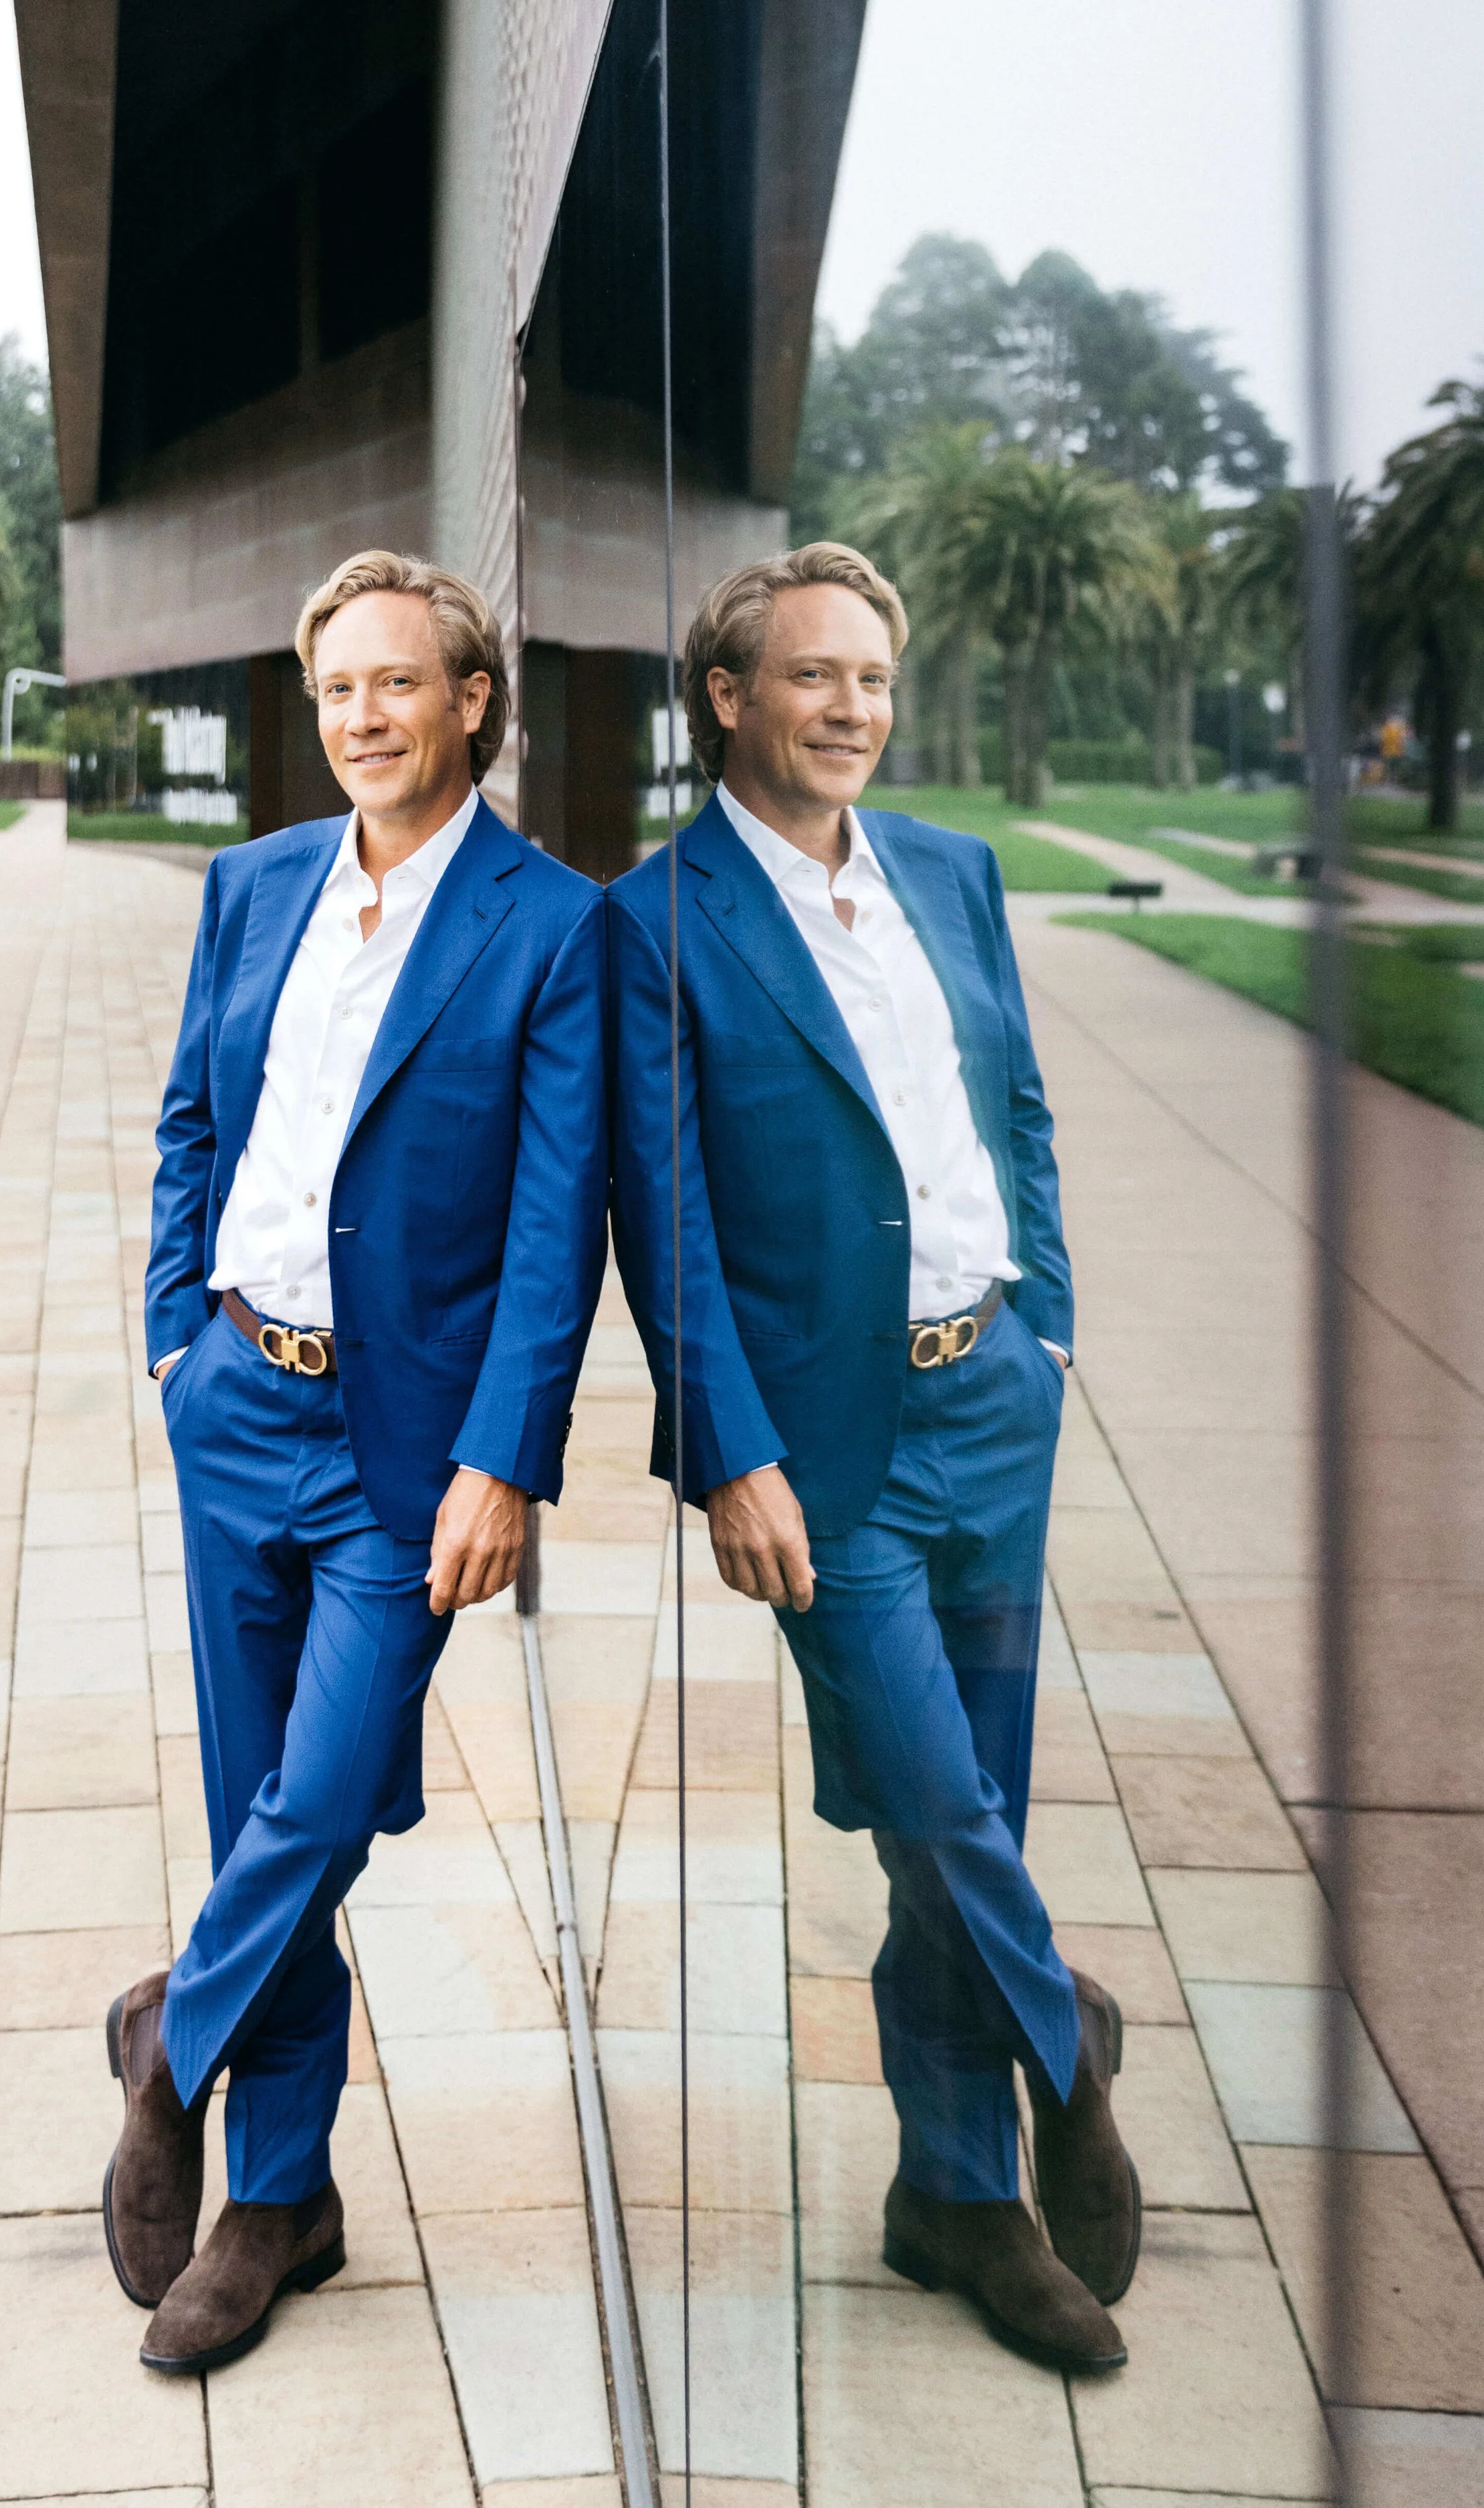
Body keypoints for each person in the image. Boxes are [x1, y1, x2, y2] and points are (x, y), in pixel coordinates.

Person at [607, 542, 1138, 2373]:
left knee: (958, 1815)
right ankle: (1063, 2044)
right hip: (826, 1453)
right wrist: (727, 1454)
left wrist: (1044, 1321)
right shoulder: (656, 918)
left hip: (992, 1401)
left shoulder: (954, 876)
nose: (848, 708)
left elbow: (1017, 1115)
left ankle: (952, 2197)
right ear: (727, 697)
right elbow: (658, 1217)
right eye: (810, 675)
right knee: (928, 1792)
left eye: (872, 678)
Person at [108, 550, 607, 2374]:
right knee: (272, 1812)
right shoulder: (248, 891)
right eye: (337, 690)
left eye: (398, 683)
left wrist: (506, 1461)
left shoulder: (555, 925)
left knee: (320, 1802)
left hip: (407, 1455)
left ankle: (173, 2036)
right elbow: (187, 1123)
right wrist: (176, 1335)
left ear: (471, 697)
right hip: (238, 1398)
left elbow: (559, 1228)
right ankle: (277, 2203)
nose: (362, 719)